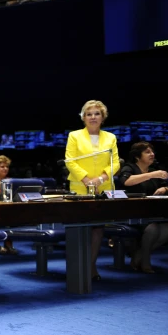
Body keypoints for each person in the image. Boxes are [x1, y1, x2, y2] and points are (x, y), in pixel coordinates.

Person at [64, 100, 120, 281]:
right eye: (89, 114)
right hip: (80, 188)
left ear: (103, 117)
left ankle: (91, 265)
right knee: (81, 229)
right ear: (83, 118)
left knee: (98, 229)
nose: (93, 117)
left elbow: (116, 163)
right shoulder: (74, 136)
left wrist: (102, 178)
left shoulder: (111, 138)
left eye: (97, 113)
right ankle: (77, 266)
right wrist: (87, 180)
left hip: (103, 189)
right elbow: (70, 161)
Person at [118, 142, 168, 273]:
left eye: (152, 152)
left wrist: (164, 188)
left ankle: (138, 255)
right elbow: (126, 181)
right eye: (147, 152)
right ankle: (146, 262)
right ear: (137, 156)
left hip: (153, 212)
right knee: (152, 229)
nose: (152, 154)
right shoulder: (129, 168)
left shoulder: (155, 170)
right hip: (132, 212)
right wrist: (151, 175)